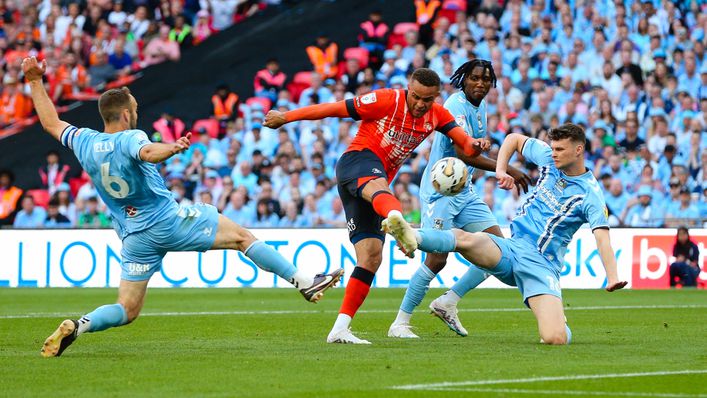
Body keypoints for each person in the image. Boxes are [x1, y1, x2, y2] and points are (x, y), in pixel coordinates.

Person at [22, 56, 343, 358]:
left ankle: (79, 325)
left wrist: (35, 80)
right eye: (133, 109)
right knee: (242, 238)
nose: (135, 113)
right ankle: (304, 280)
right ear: (124, 115)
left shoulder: (85, 141)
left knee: (127, 309)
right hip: (167, 221)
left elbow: (51, 123)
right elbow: (146, 152)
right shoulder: (130, 137)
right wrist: (172, 148)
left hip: (134, 238)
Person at [264, 68, 483, 344]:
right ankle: (396, 220)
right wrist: (287, 117)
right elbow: (334, 108)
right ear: (408, 89)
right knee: (385, 194)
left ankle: (340, 329)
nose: (420, 104)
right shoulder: (385, 100)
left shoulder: (438, 115)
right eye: (415, 97)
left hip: (369, 185)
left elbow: (465, 143)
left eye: (427, 100)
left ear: (435, 98)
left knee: (371, 256)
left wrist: (476, 144)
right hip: (357, 161)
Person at [389, 123, 627, 344]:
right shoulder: (547, 158)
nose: (553, 154)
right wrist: (501, 170)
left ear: (578, 150)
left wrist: (612, 276)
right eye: (553, 148)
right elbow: (513, 139)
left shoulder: (590, 195)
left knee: (555, 338)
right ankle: (412, 236)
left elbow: (602, 237)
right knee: (466, 239)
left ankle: (556, 318)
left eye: (560, 149)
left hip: (541, 266)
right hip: (512, 248)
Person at [388, 60, 531, 339]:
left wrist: (483, 148)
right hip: (441, 191)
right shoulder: (455, 105)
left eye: (486, 79)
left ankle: (448, 301)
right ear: (463, 79)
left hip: (464, 190)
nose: (480, 83)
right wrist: (506, 168)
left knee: (499, 251)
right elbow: (463, 153)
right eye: (475, 78)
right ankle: (400, 323)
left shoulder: (481, 106)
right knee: (437, 259)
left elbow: (473, 149)